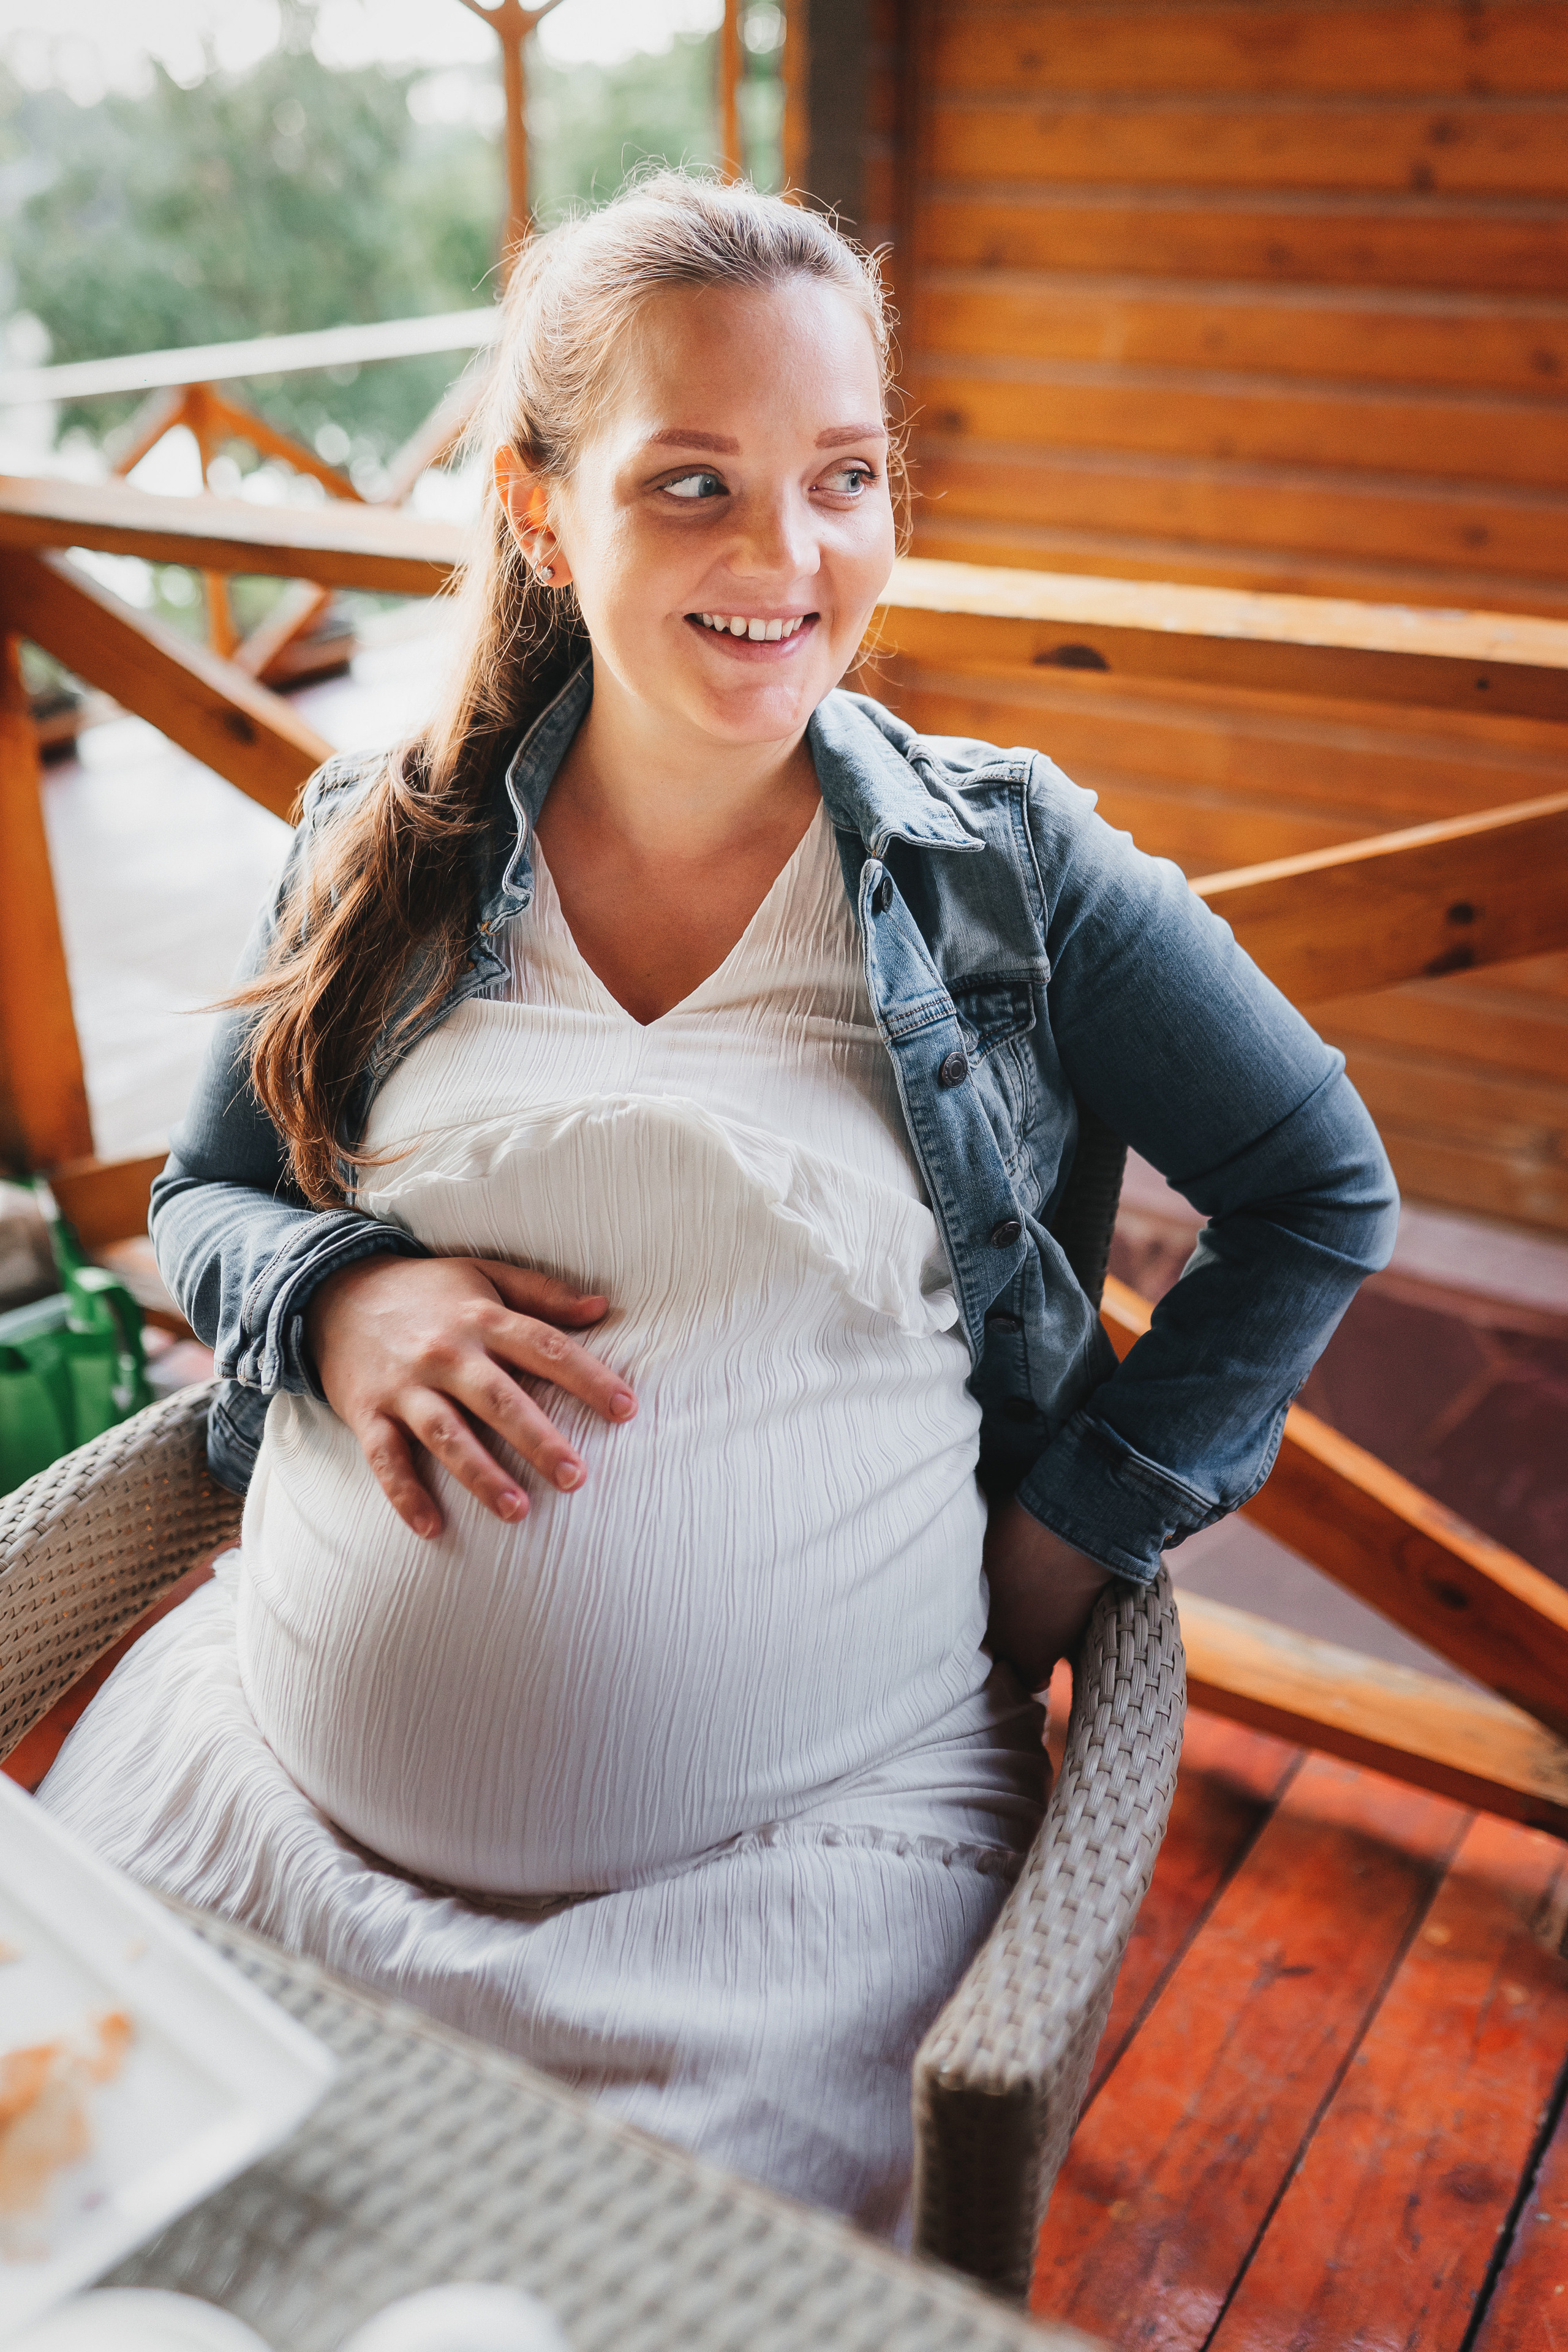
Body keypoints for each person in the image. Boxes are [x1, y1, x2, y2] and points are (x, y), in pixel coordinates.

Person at [39, 172, 1398, 2235]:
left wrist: (1073, 1532)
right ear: (535, 507)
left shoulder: (1004, 874)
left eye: (844, 474)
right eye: (692, 484)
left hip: (770, 1919)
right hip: (257, 1825)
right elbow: (211, 1192)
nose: (789, 556)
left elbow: (1321, 1186)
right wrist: (337, 1301)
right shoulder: (381, 840)